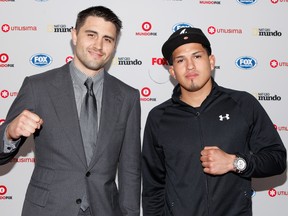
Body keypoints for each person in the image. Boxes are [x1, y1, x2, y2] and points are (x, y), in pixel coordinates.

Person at [0, 6, 141, 216]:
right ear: (74, 35)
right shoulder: (38, 87)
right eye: (91, 35)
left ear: (114, 46)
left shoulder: (128, 97)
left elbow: (131, 169)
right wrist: (10, 132)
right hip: (49, 209)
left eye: (108, 39)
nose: (99, 45)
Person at [141, 27, 287, 216]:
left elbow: (277, 159)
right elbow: (153, 188)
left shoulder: (242, 104)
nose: (190, 66)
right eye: (180, 60)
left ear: (211, 62)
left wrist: (235, 162)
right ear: (172, 71)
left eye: (197, 56)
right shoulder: (158, 117)